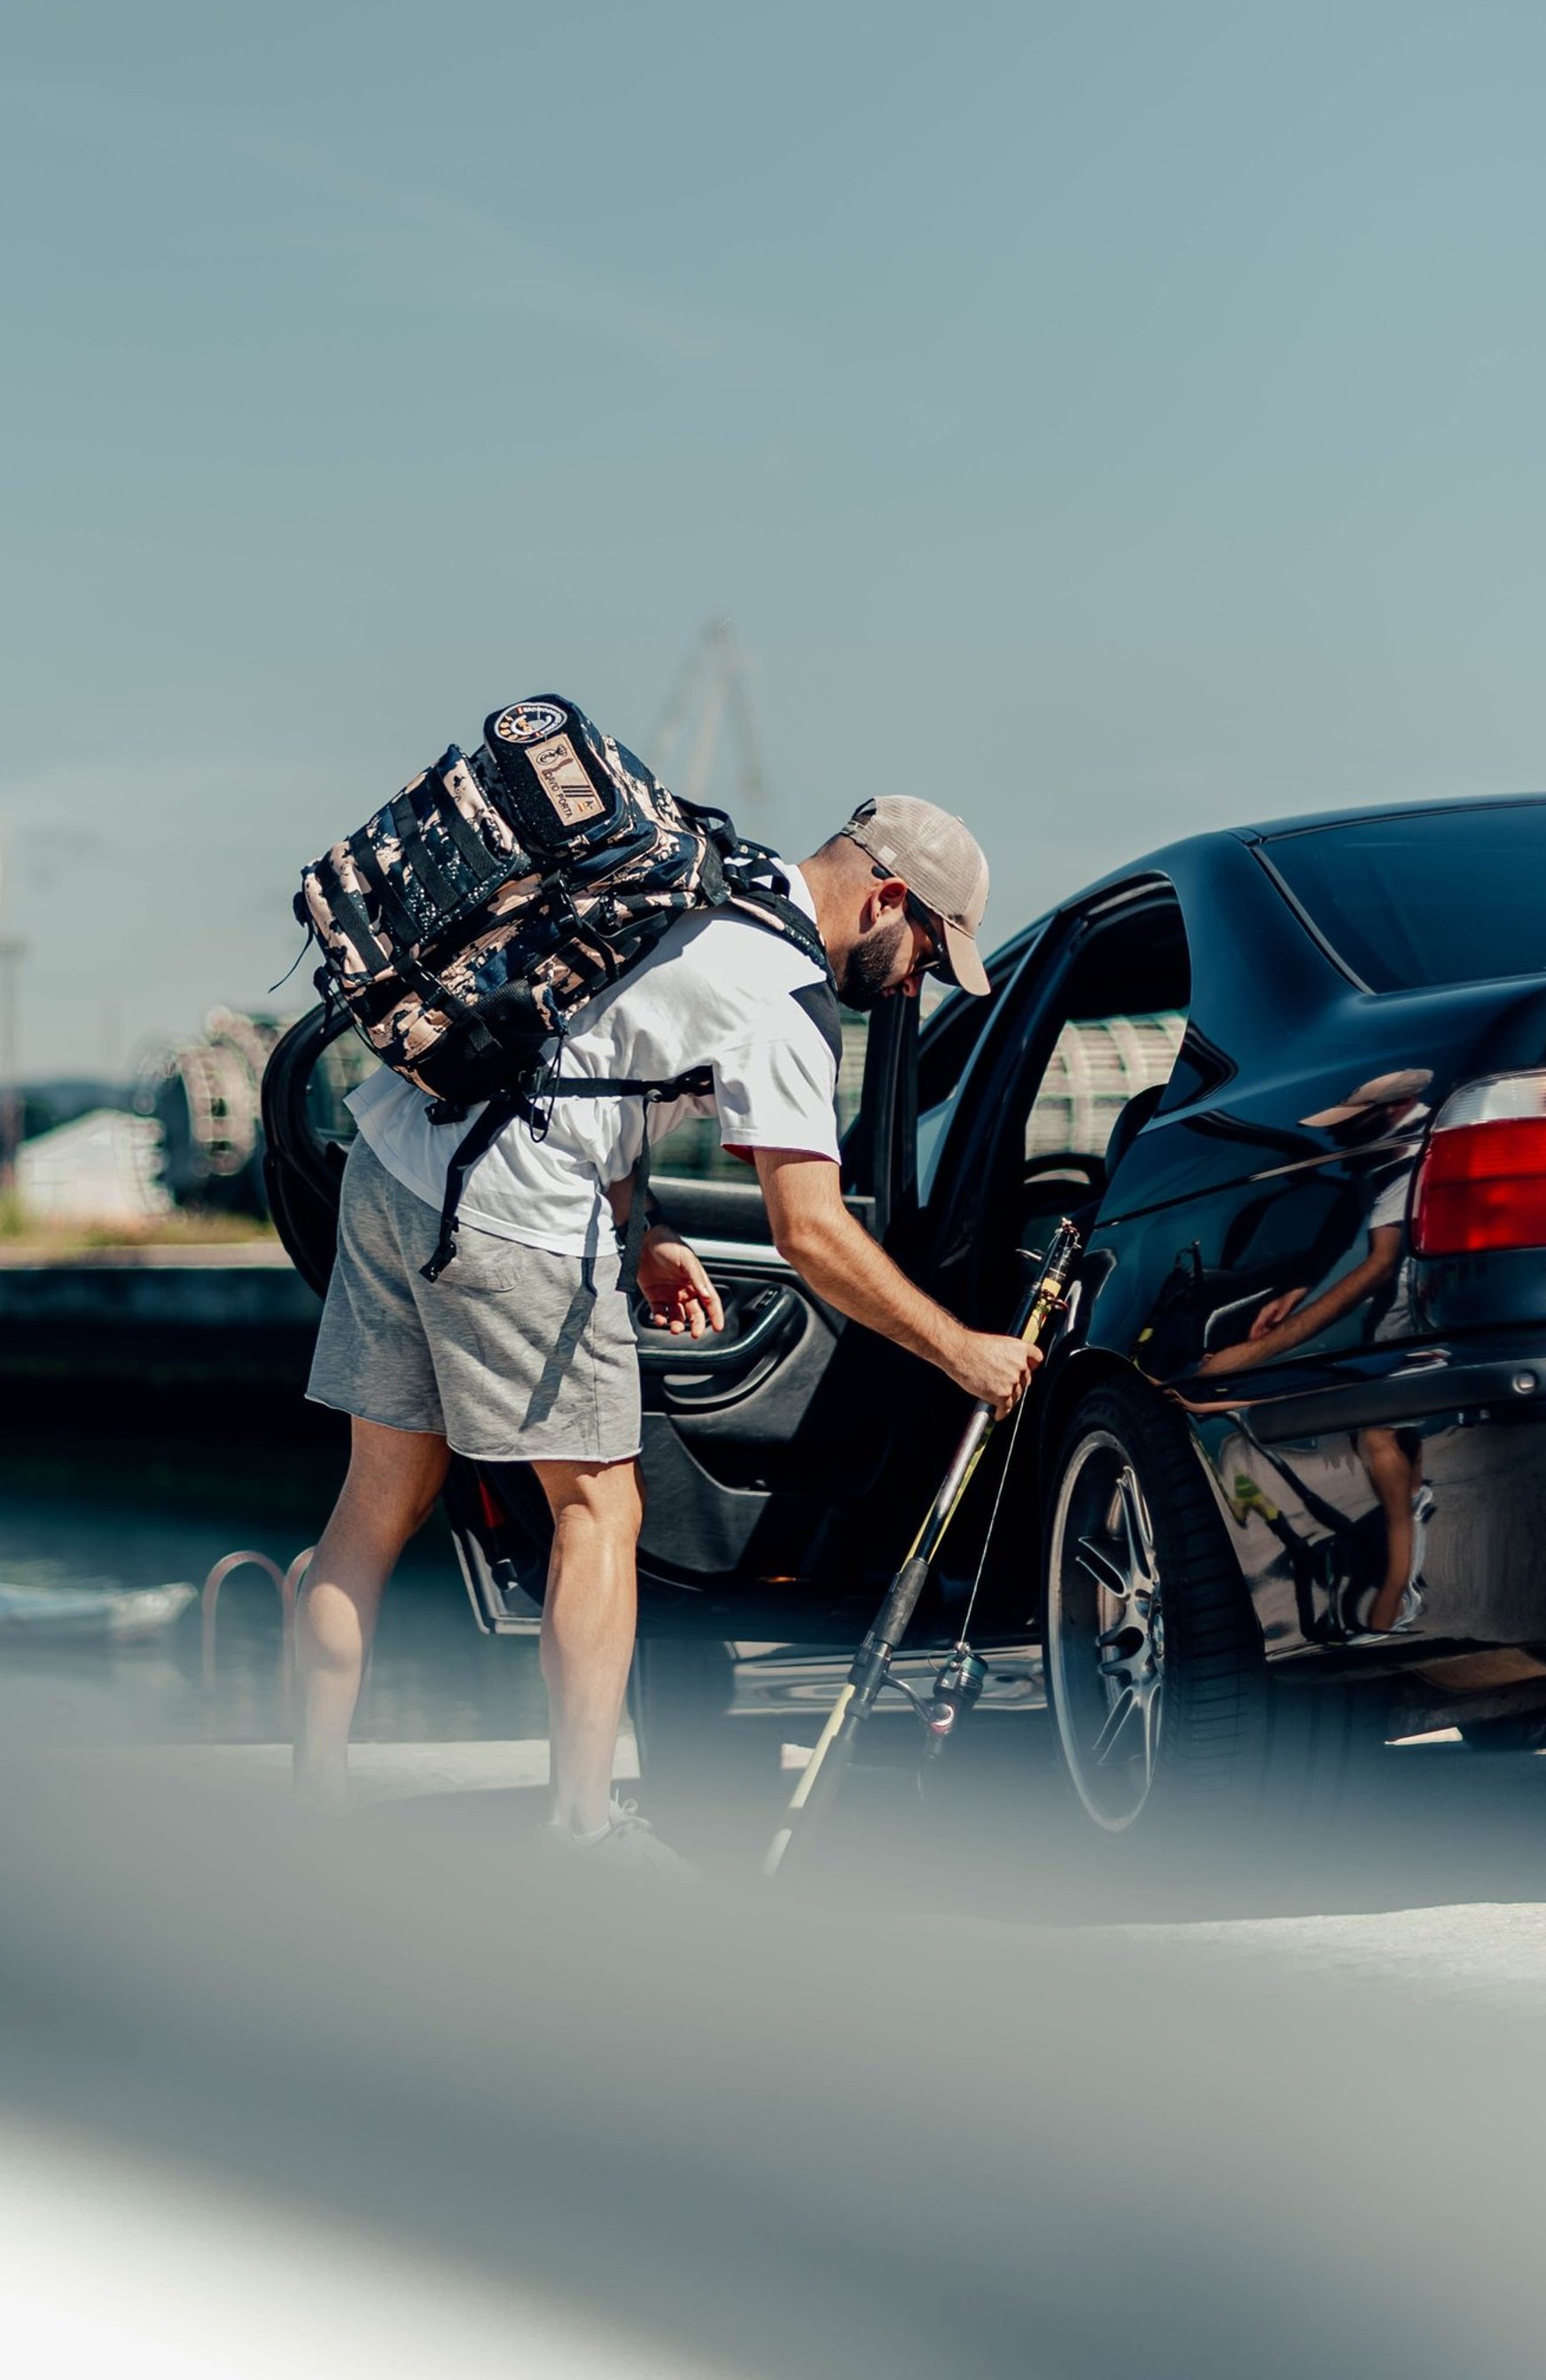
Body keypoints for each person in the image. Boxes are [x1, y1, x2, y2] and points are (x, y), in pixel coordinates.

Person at [293, 794, 1039, 1872]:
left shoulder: (696, 884)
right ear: (886, 896)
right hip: (514, 1208)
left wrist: (643, 1227)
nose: (917, 978)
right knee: (601, 1507)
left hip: (394, 1150)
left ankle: (312, 1816)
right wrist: (960, 1348)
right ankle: (584, 1833)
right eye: (928, 946)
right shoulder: (783, 993)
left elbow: (585, 1048)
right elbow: (811, 1231)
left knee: (375, 1503)